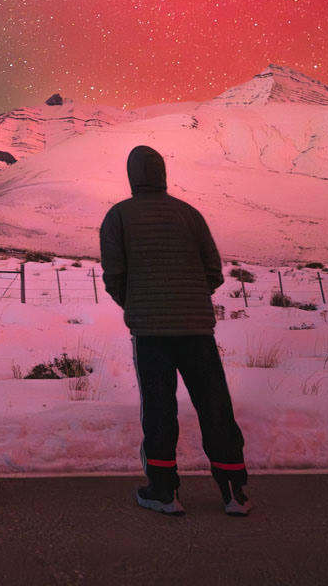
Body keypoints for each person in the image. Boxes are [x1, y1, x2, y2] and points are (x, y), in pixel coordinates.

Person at [99, 144, 249, 517]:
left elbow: (114, 275)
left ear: (132, 175)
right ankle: (234, 492)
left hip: (150, 332)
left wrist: (137, 305)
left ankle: (163, 491)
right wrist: (191, 298)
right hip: (197, 327)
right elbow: (213, 270)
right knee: (215, 406)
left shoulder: (118, 216)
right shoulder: (189, 214)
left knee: (159, 408)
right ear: (162, 174)